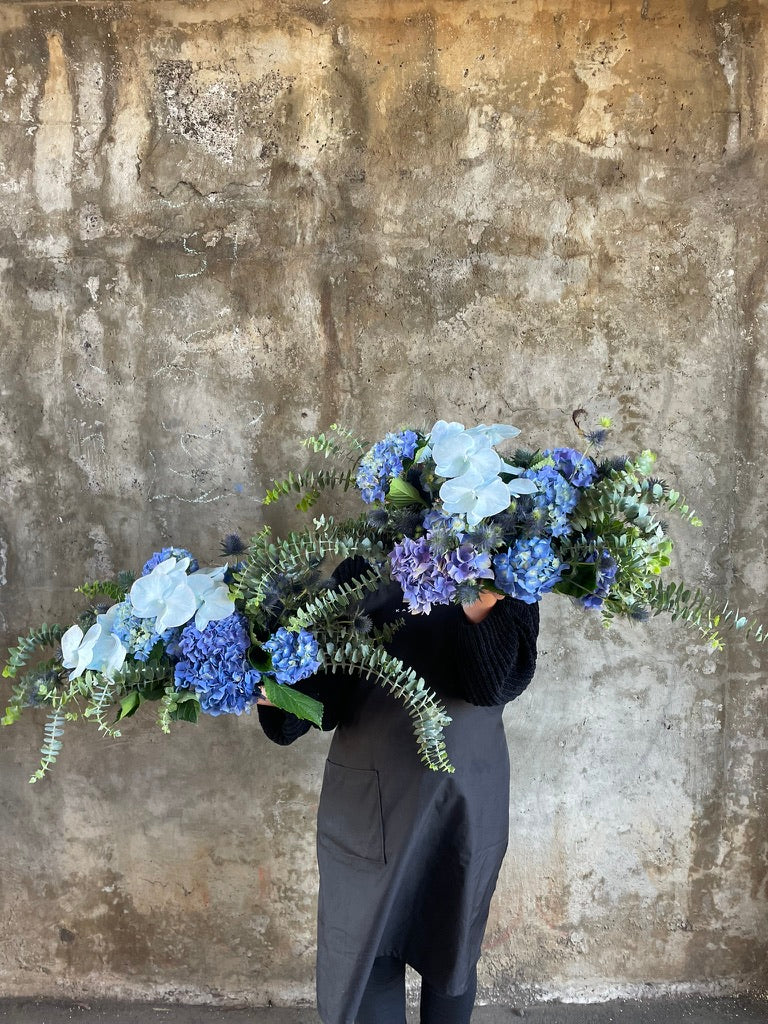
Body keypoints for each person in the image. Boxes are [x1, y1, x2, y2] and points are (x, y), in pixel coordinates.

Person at [257, 555, 540, 1024]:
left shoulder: (509, 561)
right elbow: (326, 700)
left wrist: (479, 600)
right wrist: (277, 688)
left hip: (462, 800)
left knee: (452, 952)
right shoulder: (359, 571)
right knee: (367, 952)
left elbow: (495, 685)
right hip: (369, 800)